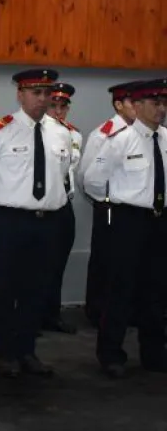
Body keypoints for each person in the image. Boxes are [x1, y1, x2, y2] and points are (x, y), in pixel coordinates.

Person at [0, 69, 72, 379]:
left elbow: (63, 173)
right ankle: (6, 353)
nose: (43, 99)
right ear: (21, 94)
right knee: (4, 288)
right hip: (9, 222)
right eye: (36, 93)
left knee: (36, 289)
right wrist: (6, 202)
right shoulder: (0, 131)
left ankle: (27, 350)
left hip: (47, 223)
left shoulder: (60, 132)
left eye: (47, 93)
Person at [82, 78, 167, 378]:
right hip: (128, 220)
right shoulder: (120, 140)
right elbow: (92, 180)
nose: (161, 109)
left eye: (164, 103)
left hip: (159, 221)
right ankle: (111, 354)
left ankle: (154, 354)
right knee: (120, 288)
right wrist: (113, 203)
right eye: (154, 103)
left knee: (156, 289)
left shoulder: (166, 139)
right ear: (138, 104)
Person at [80, 81, 139, 327]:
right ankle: (98, 311)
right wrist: (106, 201)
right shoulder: (105, 134)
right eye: (132, 102)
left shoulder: (145, 133)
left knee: (134, 261)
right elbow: (86, 175)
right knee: (106, 260)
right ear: (118, 105)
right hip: (110, 207)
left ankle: (130, 311)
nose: (138, 107)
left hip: (137, 209)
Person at [41, 82, 81, 334]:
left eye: (62, 106)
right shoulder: (35, 133)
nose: (58, 111)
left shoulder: (73, 134)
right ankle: (29, 318)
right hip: (40, 205)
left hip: (64, 204)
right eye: (53, 106)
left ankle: (51, 314)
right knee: (33, 267)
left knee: (57, 265)